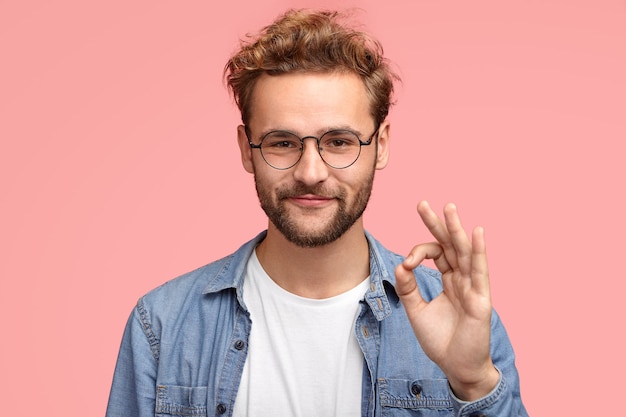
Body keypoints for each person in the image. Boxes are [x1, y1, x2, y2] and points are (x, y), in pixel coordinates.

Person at [106, 9, 527, 417]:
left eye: (339, 142)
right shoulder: (162, 324)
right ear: (245, 149)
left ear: (380, 145)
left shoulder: (458, 317)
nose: (311, 173)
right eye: (283, 143)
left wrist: (473, 384)